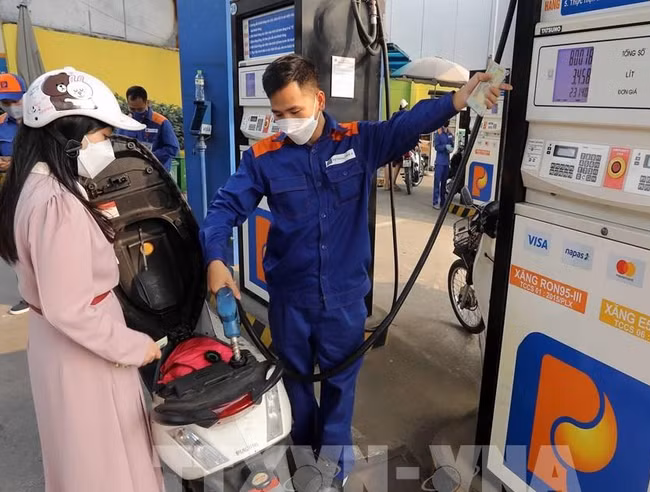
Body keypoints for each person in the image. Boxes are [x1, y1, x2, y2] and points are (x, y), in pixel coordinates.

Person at [201, 53, 507, 489]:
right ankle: (306, 473)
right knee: (298, 393)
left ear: (319, 99)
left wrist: (460, 98)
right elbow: (224, 208)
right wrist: (216, 257)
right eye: (278, 114)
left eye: (295, 111)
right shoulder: (264, 157)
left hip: (344, 302)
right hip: (291, 301)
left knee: (340, 398)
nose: (287, 122)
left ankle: (335, 476)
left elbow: (407, 125)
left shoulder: (358, 142)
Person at [0, 67, 164, 492]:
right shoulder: (57, 203)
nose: (107, 146)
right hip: (85, 352)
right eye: (103, 136)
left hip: (58, 346)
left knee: (79, 458)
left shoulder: (34, 187)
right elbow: (70, 307)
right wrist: (134, 346)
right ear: (72, 137)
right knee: (105, 466)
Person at [0, 73, 30, 315]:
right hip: (13, 195)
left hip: (44, 191)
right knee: (17, 245)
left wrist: (14, 161)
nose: (12, 106)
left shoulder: (40, 122)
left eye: (15, 100)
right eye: (6, 102)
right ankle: (27, 295)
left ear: (24, 96)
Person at [117, 85, 179, 171]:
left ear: (147, 103)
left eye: (139, 109)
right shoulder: (125, 124)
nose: (136, 113)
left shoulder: (161, 122)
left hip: (157, 173)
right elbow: (117, 146)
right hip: (132, 171)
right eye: (132, 109)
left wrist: (149, 156)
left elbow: (172, 149)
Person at [384, 98, 409, 192]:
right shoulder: (404, 116)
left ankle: (386, 184)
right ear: (405, 107)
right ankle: (392, 183)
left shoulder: (394, 115)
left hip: (388, 140)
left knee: (387, 162)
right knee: (398, 162)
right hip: (396, 142)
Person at [432, 124, 454, 209]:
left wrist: (451, 147)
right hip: (439, 162)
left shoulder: (449, 133)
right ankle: (435, 202)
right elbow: (436, 147)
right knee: (437, 182)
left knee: (444, 184)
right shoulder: (439, 133)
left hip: (446, 162)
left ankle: (443, 202)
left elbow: (452, 144)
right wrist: (445, 147)